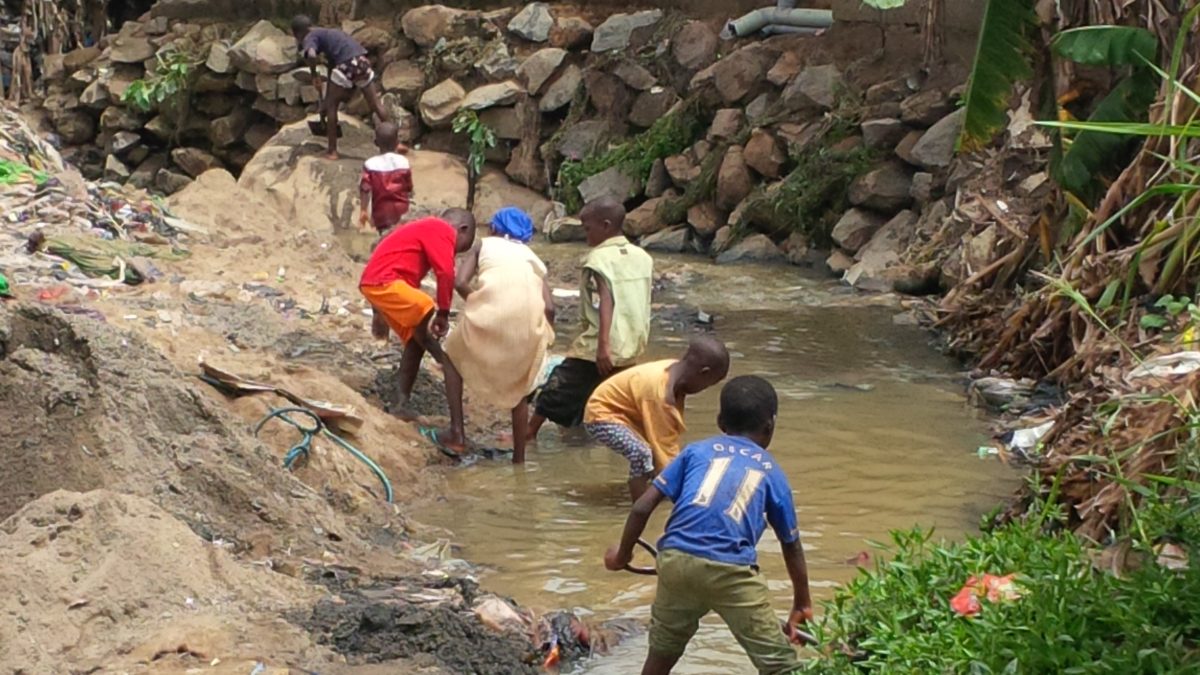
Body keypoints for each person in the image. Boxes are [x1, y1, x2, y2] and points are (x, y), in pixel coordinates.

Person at [604, 375, 812, 675]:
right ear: (770, 426)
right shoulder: (773, 473)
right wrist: (801, 603)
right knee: (780, 666)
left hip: (675, 561)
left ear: (719, 420)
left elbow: (641, 507)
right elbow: (791, 545)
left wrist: (622, 555)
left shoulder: (695, 452)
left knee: (662, 653)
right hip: (730, 571)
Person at [529, 196, 653, 438]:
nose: (586, 237)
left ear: (605, 226)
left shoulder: (599, 259)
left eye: (588, 229)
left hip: (601, 341)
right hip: (632, 342)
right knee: (612, 395)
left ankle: (529, 432)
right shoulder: (642, 257)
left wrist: (603, 346)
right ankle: (591, 436)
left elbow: (605, 300)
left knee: (560, 385)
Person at [444, 207, 556, 464]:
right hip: (529, 323)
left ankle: (457, 434)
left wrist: (479, 302)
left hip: (489, 313)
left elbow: (460, 281)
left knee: (451, 356)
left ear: (493, 229)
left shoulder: (484, 245)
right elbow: (549, 307)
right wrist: (544, 335)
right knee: (521, 386)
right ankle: (519, 459)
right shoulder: (533, 258)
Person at [359, 209, 476, 455]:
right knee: (425, 306)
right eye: (459, 249)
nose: (454, 254)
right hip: (383, 281)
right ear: (462, 229)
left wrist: (378, 309)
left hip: (384, 282)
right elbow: (445, 273)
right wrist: (443, 312)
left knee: (414, 338)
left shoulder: (422, 228)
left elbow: (387, 256)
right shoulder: (441, 229)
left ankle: (400, 403)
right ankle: (442, 359)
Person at [584, 337, 730, 502]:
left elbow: (668, 438)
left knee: (657, 455)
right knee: (641, 454)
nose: (704, 389)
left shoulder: (676, 372)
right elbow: (664, 449)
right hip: (602, 415)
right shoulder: (660, 395)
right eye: (708, 384)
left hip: (628, 412)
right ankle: (640, 504)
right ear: (703, 373)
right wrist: (685, 496)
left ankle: (652, 492)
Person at [292, 15, 389, 159]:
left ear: (298, 33)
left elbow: (311, 55)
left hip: (347, 64)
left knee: (332, 107)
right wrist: (325, 99)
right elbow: (333, 74)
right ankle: (394, 144)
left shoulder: (309, 37)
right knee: (375, 103)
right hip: (361, 61)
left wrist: (314, 75)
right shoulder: (329, 34)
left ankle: (332, 151)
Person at [359, 122, 413, 235]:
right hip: (401, 210)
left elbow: (365, 188)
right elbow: (409, 187)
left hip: (381, 211)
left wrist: (363, 210)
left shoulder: (370, 164)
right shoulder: (403, 162)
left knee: (384, 237)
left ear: (376, 143)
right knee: (400, 235)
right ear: (397, 143)